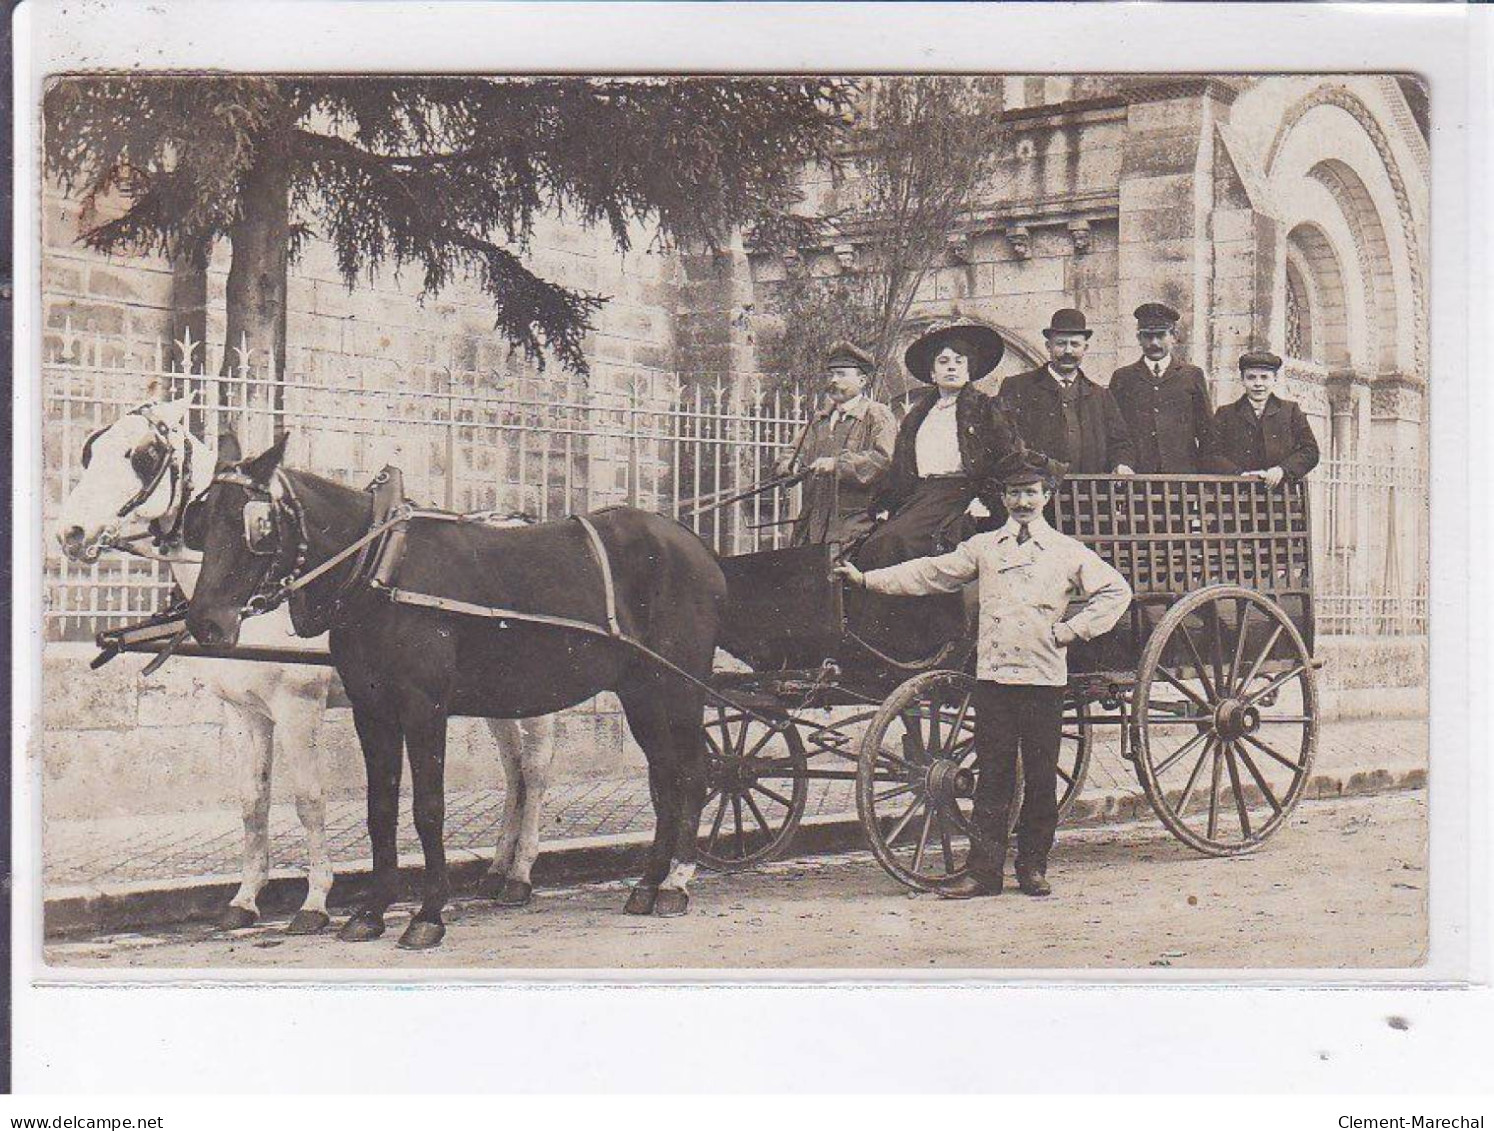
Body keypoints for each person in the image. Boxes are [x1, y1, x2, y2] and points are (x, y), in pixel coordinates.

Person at [835, 450, 1132, 898]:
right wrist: (867, 580)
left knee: (1040, 777)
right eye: (1015, 494)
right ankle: (984, 873)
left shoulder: (1067, 552)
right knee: (992, 779)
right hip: (993, 678)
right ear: (1004, 498)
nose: (1023, 502)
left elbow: (1115, 591)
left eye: (1031, 493)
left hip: (1043, 678)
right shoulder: (984, 547)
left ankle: (1033, 867)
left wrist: (1072, 630)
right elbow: (930, 573)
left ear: (1046, 496)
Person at [848, 319, 1028, 662]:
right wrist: (887, 503)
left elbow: (1007, 458)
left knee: (903, 543)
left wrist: (987, 498)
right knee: (872, 545)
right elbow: (902, 467)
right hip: (921, 496)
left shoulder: (985, 408)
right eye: (943, 362)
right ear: (932, 373)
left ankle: (926, 643)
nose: (951, 368)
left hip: (963, 495)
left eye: (959, 362)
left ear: (969, 369)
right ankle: (882, 644)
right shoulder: (919, 415)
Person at [774, 340, 897, 549]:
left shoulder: (877, 415)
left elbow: (883, 459)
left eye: (841, 374)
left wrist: (837, 464)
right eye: (831, 374)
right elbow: (791, 453)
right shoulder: (820, 420)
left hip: (856, 526)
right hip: (812, 525)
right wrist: (791, 466)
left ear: (862, 380)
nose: (833, 380)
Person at [997, 308, 1136, 474]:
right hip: (1036, 494)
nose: (1068, 351)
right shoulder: (1018, 387)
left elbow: (1120, 443)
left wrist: (1121, 464)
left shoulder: (1101, 396)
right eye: (1061, 344)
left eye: (1075, 344)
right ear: (1049, 346)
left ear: (1085, 348)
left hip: (1088, 494)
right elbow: (1002, 438)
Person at [1109, 302, 1218, 473]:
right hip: (1136, 480)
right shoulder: (1123, 378)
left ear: (1174, 336)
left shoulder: (1192, 375)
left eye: (1161, 335)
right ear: (1138, 338)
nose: (1154, 343)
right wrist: (1121, 464)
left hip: (1181, 482)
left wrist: (1203, 481)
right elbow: (1114, 432)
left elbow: (1207, 433)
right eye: (1147, 336)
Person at [1212, 350, 1321, 487]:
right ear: (1242, 380)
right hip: (1236, 497)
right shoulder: (1225, 414)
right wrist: (1239, 475)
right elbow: (1211, 454)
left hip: (1280, 497)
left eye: (1264, 377)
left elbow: (1310, 451)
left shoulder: (1290, 411)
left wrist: (1282, 470)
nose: (1258, 384)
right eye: (1251, 377)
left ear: (1274, 379)